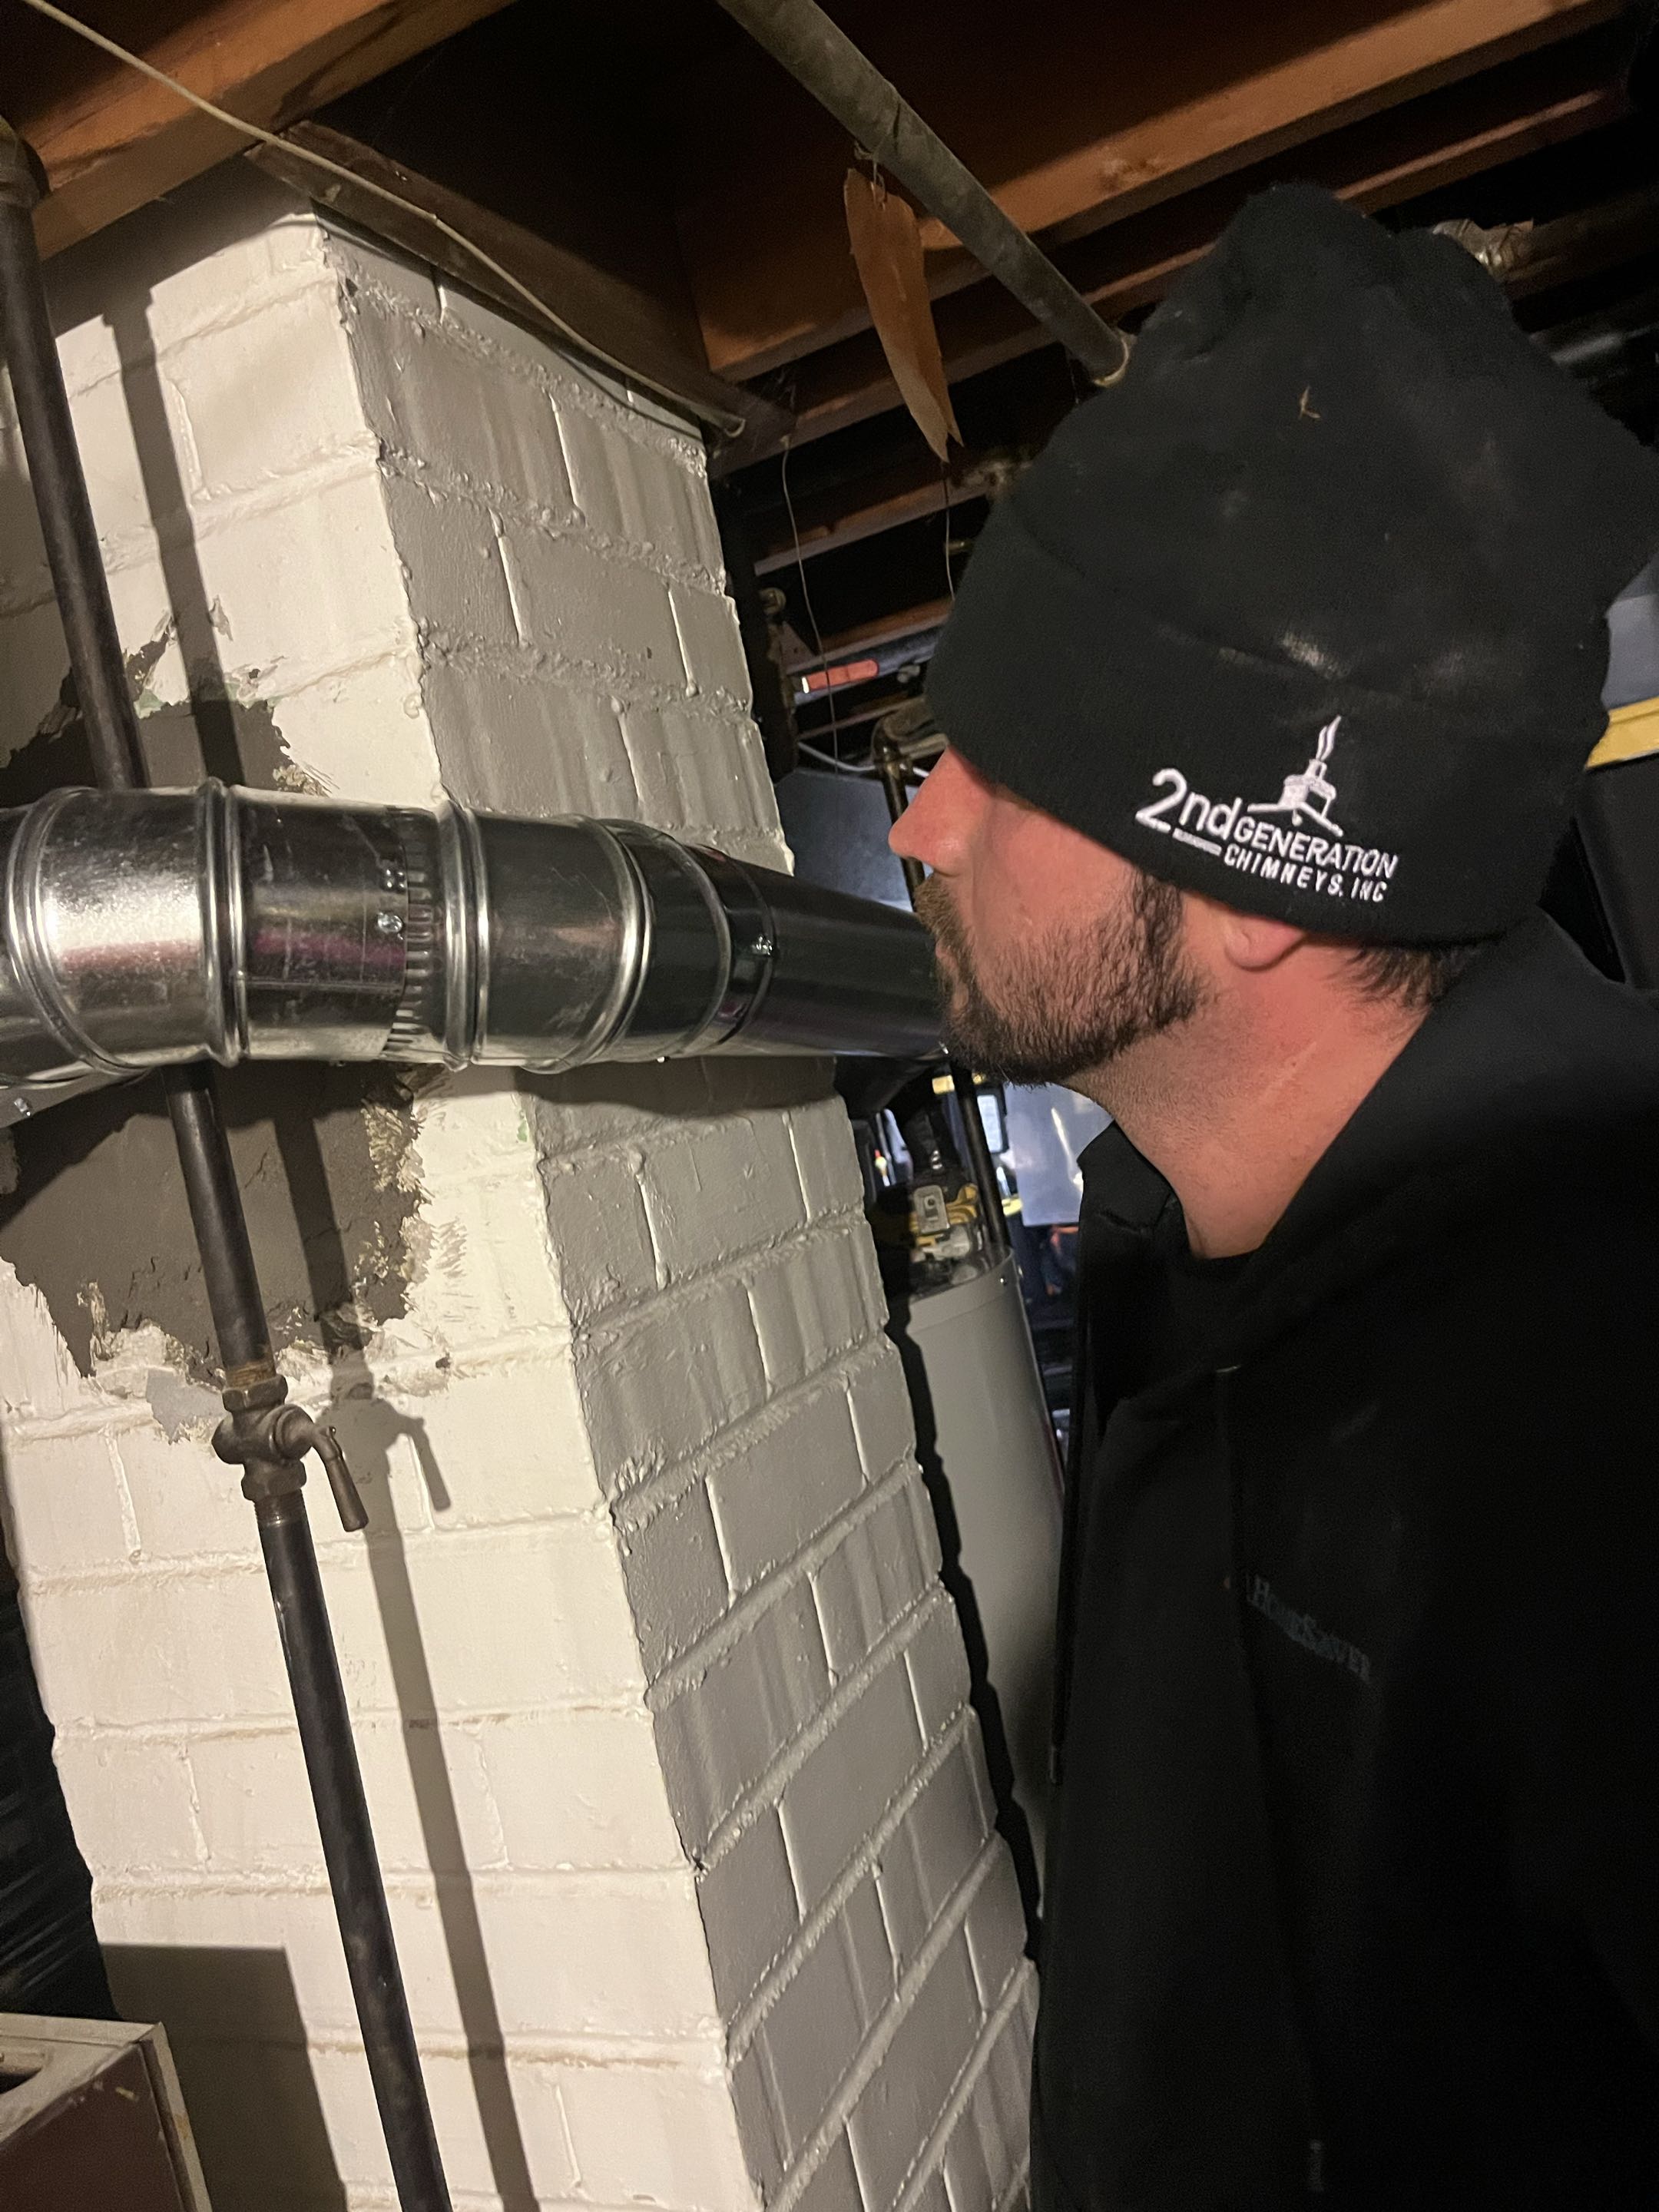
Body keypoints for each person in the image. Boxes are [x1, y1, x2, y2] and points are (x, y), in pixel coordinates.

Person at [891, 184, 1659, 2210]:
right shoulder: (1170, 1247)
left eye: (1005, 765)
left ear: (1259, 872)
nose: (921, 824)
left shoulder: (1605, 1395)